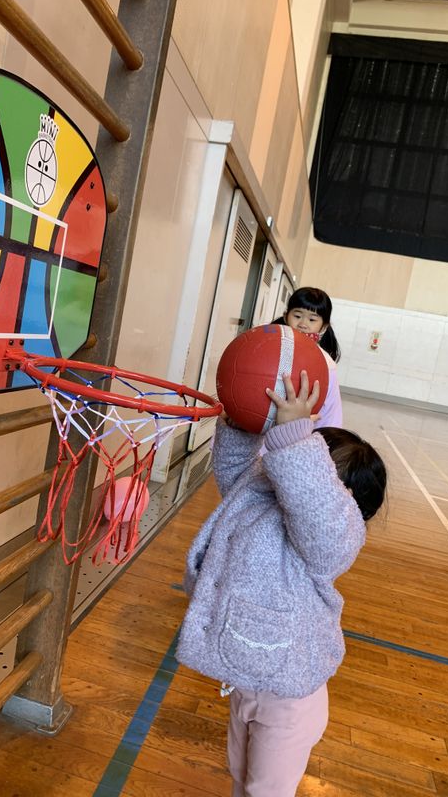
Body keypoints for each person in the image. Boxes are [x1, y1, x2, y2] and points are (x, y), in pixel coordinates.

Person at [176, 372, 387, 797]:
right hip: (245, 674)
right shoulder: (261, 491)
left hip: (289, 696)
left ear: (341, 494)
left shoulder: (333, 533)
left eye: (307, 460)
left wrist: (294, 440)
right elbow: (239, 469)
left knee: (266, 791)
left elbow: (315, 505)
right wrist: (243, 420)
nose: (284, 473)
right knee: (241, 775)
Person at [273, 287, 342, 428]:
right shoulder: (269, 345)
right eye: (297, 316)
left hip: (295, 435)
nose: (303, 324)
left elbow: (330, 416)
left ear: (323, 326)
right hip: (258, 435)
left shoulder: (327, 365)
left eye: (312, 319)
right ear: (286, 316)